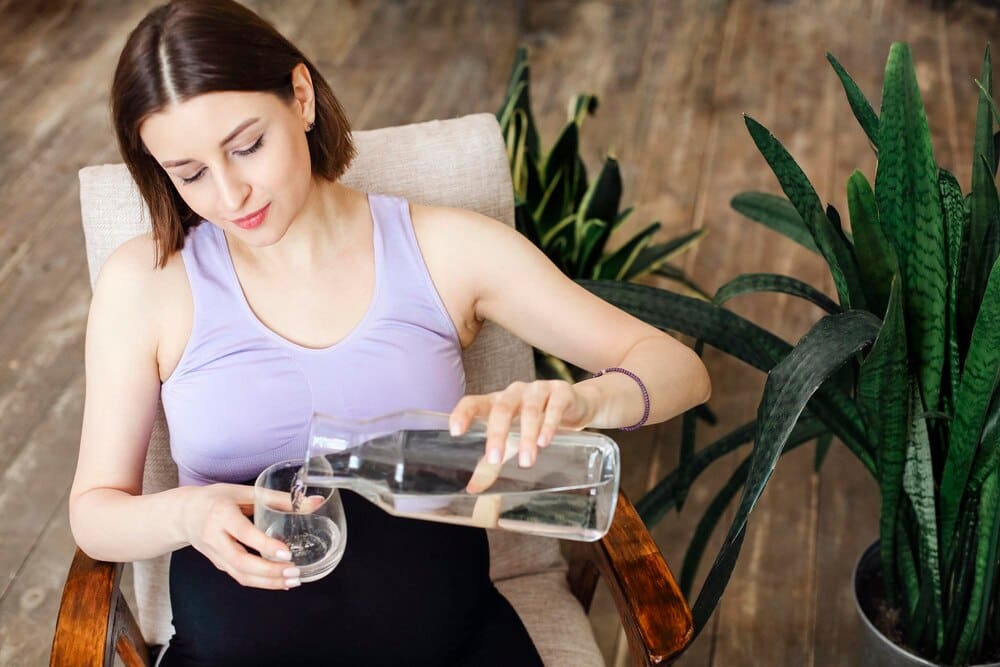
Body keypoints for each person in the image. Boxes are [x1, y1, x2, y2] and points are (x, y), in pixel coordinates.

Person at [68, 1, 712, 665]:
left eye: (247, 145)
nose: (231, 196)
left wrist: (585, 401)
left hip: (453, 646)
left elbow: (679, 368)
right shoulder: (146, 283)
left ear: (300, 95)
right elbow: (94, 510)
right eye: (191, 173)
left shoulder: (444, 249)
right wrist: (187, 514)